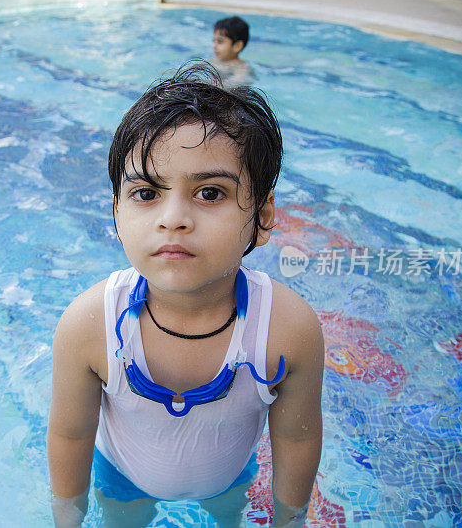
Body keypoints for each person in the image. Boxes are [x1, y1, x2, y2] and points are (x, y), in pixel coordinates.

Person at [47, 63, 323, 528]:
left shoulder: (286, 330)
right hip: (122, 481)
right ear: (117, 213)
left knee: (228, 515)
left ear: (264, 215)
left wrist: (289, 521)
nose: (173, 218)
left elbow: (297, 441)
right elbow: (71, 434)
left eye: (210, 193)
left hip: (229, 480)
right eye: (146, 193)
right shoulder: (89, 324)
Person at [211, 16, 255, 87]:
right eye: (213, 41)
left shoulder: (241, 67)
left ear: (237, 46)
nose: (214, 46)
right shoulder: (213, 61)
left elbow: (239, 81)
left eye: (220, 41)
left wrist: (212, 85)